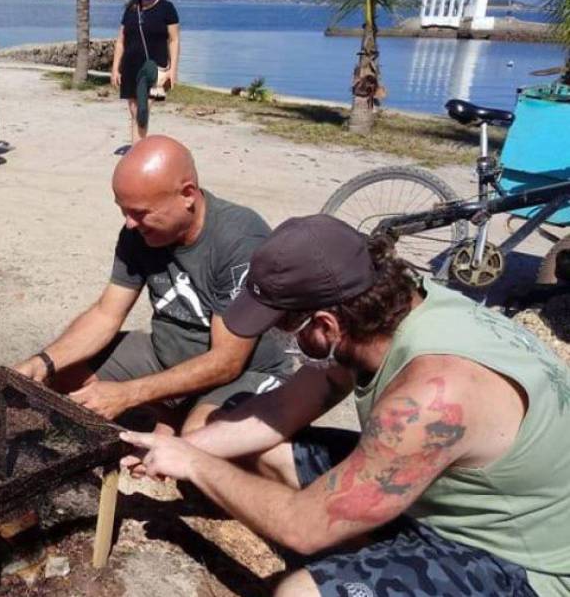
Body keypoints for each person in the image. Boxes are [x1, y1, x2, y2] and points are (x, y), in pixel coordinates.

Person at [122, 215, 570, 596]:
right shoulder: (392, 310)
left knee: (297, 594)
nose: (279, 336)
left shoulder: (433, 395)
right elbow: (280, 411)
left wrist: (197, 465)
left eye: (283, 325)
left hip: (521, 563)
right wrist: (180, 448)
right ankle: (373, 550)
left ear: (326, 324)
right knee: (261, 449)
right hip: (451, 501)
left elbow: (305, 527)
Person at [14, 135, 290, 434]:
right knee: (63, 372)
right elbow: (106, 314)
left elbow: (227, 361)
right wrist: (42, 363)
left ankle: (179, 418)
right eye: (123, 210)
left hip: (245, 371)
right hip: (166, 354)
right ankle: (167, 413)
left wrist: (129, 393)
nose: (130, 223)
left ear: (187, 194)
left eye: (140, 212)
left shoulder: (240, 240)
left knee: (200, 439)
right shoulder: (138, 233)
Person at [111, 0, 180, 154]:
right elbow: (121, 41)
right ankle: (137, 151)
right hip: (131, 68)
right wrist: (115, 69)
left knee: (143, 110)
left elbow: (173, 40)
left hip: (155, 69)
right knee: (134, 111)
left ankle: (137, 154)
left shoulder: (167, 8)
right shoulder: (132, 9)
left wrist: (173, 70)